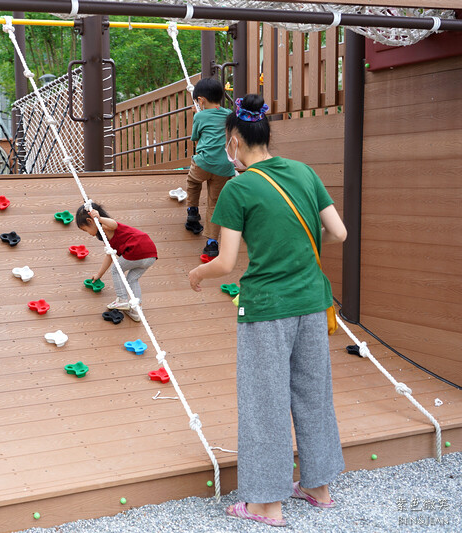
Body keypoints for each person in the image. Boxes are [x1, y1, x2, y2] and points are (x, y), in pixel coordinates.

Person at [188, 95, 348, 527]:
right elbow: (338, 232)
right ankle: (319, 488)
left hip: (266, 308)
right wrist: (298, 250)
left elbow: (225, 262)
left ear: (235, 139)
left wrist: (196, 275)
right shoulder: (304, 172)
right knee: (313, 393)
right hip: (313, 301)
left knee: (265, 401)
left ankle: (265, 504)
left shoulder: (239, 188)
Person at [75, 202, 157, 322]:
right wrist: (99, 274)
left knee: (116, 270)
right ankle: (137, 309)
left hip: (136, 249)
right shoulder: (104, 236)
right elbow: (110, 256)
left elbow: (114, 224)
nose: (87, 233)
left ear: (90, 221)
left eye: (85, 229)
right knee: (132, 279)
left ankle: (122, 299)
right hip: (150, 254)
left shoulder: (105, 226)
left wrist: (100, 218)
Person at [185, 77, 236, 260]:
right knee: (215, 203)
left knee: (193, 180)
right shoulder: (229, 114)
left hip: (204, 163)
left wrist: (197, 115)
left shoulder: (199, 116)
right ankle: (212, 244)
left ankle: (192, 210)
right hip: (224, 166)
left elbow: (195, 138)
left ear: (200, 100)